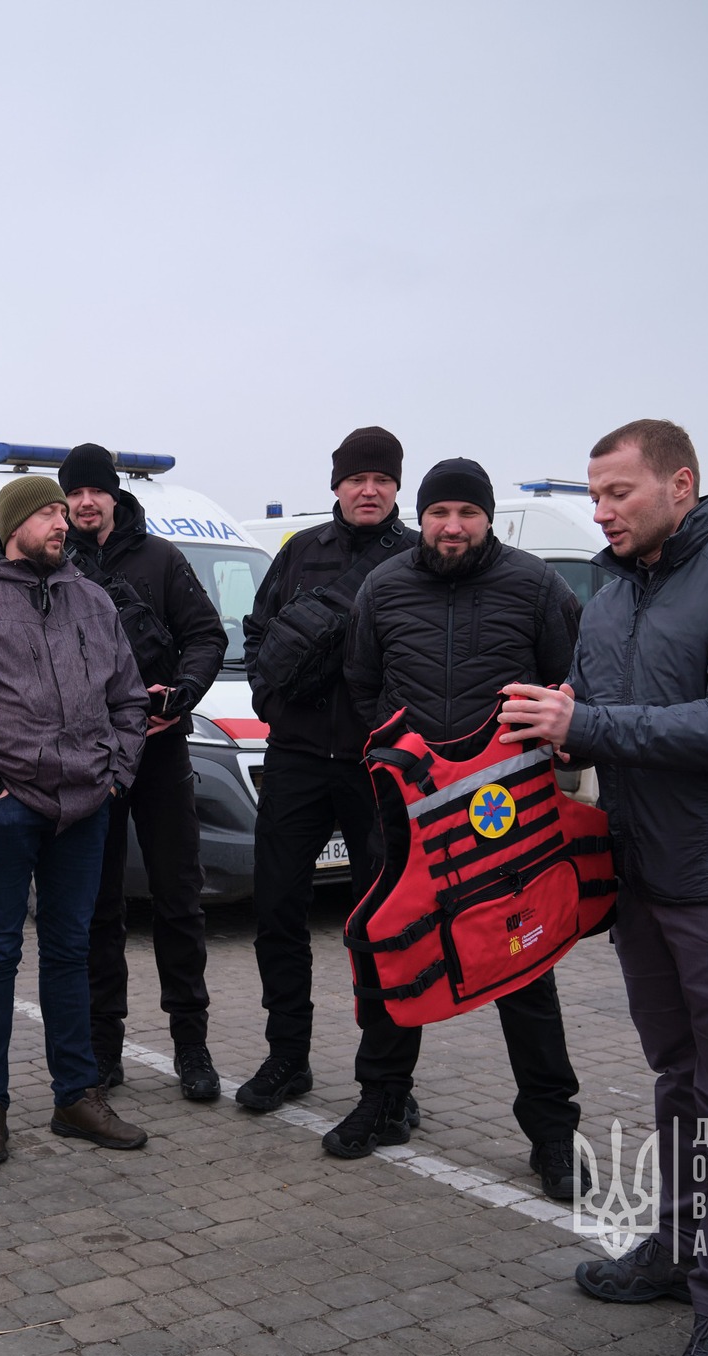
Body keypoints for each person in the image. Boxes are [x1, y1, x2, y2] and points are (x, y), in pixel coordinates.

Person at [501, 420, 708, 1356]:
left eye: (618, 493)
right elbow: (595, 716)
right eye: (593, 496)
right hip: (647, 877)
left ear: (680, 484)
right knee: (681, 1082)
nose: (601, 511)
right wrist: (555, 738)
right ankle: (681, 1247)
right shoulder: (609, 598)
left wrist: (588, 720)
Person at [327, 458, 589, 1198]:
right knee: (392, 948)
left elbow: (574, 678)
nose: (451, 527)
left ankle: (551, 1133)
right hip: (405, 809)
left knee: (523, 965)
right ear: (423, 515)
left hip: (504, 816)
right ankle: (382, 1099)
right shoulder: (384, 586)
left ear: (487, 519)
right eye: (439, 512)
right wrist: (394, 736)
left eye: (466, 514)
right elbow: (361, 678)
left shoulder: (536, 586)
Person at [0, 475, 150, 1164]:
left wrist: (115, 776)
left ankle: (76, 1095)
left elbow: (129, 699)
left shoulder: (92, 600)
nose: (61, 521)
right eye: (46, 511)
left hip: (85, 809)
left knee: (71, 951)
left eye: (61, 512)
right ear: (15, 522)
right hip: (7, 811)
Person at [238, 427, 412, 1111]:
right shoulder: (301, 551)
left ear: (398, 487)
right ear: (336, 485)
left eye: (382, 479)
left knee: (384, 919)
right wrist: (266, 695)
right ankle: (287, 1058)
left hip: (378, 767)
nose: (369, 489)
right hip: (298, 759)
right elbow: (258, 630)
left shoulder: (417, 557)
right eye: (356, 478)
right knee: (276, 908)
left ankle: (388, 1077)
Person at [56, 443, 229, 1100]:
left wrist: (182, 692)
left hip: (161, 752)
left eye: (96, 491)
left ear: (113, 495)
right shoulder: (58, 566)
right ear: (65, 500)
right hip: (91, 759)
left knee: (179, 899)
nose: (86, 503)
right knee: (99, 905)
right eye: (75, 494)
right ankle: (104, 1046)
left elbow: (207, 636)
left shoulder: (162, 560)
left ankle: (192, 1044)